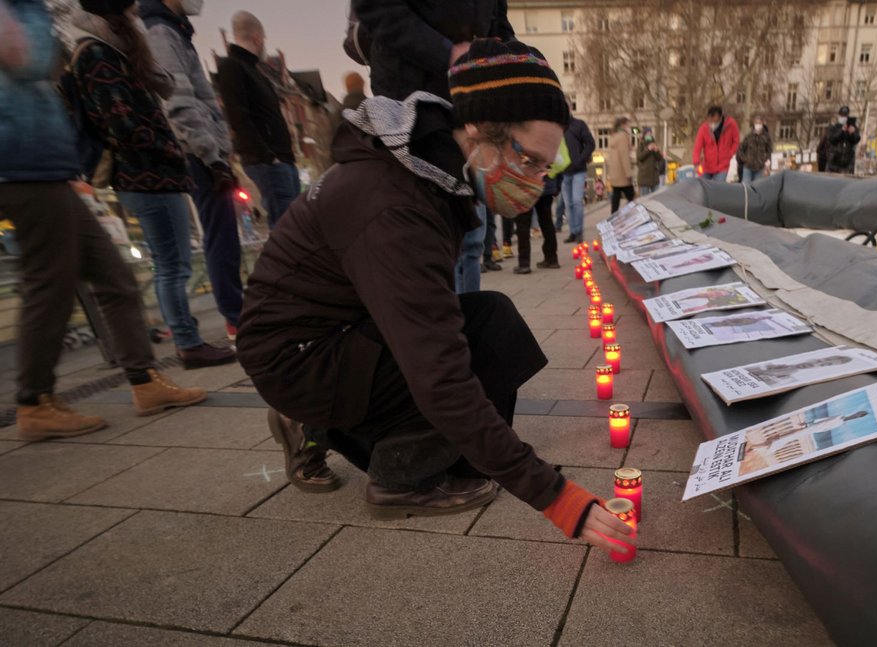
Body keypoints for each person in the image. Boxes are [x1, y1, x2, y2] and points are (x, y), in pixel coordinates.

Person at [237, 39, 634, 554]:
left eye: (546, 167)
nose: (538, 181)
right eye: (529, 161)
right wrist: (556, 496)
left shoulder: (428, 170)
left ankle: (330, 427)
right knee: (470, 366)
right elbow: (441, 379)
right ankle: (394, 475)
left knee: (494, 319)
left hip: (330, 338)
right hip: (300, 361)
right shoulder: (395, 206)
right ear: (478, 132)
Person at [1, 0, 207, 439]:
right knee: (49, 280)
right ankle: (34, 401)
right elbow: (27, 56)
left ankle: (144, 380)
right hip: (21, 159)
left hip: (44, 161)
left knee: (114, 278)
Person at [72, 0, 235, 368]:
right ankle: (187, 341)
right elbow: (122, 123)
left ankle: (186, 338)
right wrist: (171, 149)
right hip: (145, 176)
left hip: (151, 174)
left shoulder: (113, 51)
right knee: (172, 264)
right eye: (130, 11)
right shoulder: (98, 54)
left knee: (170, 263)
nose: (136, 16)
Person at [140, 0, 243, 341]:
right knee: (218, 237)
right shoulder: (162, 32)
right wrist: (211, 154)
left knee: (222, 237)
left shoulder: (174, 31)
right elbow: (180, 101)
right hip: (198, 152)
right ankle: (233, 317)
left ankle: (232, 314)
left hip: (207, 150)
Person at [216, 11, 301, 230]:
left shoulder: (254, 70)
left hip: (280, 159)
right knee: (286, 228)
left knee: (295, 224)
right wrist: (268, 156)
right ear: (257, 38)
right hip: (270, 161)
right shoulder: (232, 67)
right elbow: (239, 118)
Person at [347, 0, 513, 101]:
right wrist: (448, 53)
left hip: (473, 91)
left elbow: (499, 23)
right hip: (409, 91)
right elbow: (374, 7)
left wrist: (520, 58)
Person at [512, 177, 560, 274]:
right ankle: (552, 259)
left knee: (523, 223)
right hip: (545, 185)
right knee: (547, 221)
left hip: (525, 185)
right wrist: (556, 185)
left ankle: (524, 263)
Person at [561, 115, 594, 243]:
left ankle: (579, 231)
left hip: (578, 170)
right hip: (564, 172)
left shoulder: (578, 125)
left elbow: (591, 143)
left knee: (576, 201)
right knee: (568, 204)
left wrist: (581, 159)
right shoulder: (558, 126)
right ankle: (573, 231)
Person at [692, 105, 740, 180]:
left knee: (717, 187)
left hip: (723, 167)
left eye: (715, 120)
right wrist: (696, 163)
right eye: (710, 120)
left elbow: (736, 141)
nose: (712, 123)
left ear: (720, 118)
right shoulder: (704, 128)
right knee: (702, 185)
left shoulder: (731, 125)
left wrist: (730, 153)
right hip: (706, 167)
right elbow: (697, 146)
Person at [606, 117, 635, 214]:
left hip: (615, 173)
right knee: (631, 196)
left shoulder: (614, 136)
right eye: (628, 124)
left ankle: (613, 217)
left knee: (616, 196)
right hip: (622, 173)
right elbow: (624, 156)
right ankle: (632, 215)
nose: (629, 127)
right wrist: (628, 173)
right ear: (623, 125)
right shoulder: (623, 136)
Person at [737, 116, 773, 184]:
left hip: (760, 167)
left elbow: (769, 150)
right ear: (753, 124)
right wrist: (745, 159)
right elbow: (740, 149)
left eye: (759, 123)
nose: (758, 125)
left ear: (762, 124)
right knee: (746, 186)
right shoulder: (748, 137)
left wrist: (767, 160)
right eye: (756, 123)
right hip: (748, 167)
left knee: (757, 187)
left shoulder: (766, 137)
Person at [825, 106, 860, 175]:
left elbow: (856, 139)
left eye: (845, 116)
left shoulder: (853, 128)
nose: (843, 118)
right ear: (839, 115)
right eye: (842, 115)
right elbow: (832, 139)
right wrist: (841, 131)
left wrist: (851, 133)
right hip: (833, 163)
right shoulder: (834, 127)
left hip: (847, 164)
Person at [637, 130, 664, 196]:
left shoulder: (655, 144)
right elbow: (639, 157)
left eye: (650, 134)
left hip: (654, 177)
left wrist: (656, 151)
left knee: (656, 199)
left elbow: (660, 158)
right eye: (648, 134)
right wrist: (648, 149)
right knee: (644, 200)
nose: (649, 136)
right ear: (644, 135)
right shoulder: (641, 145)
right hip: (644, 177)